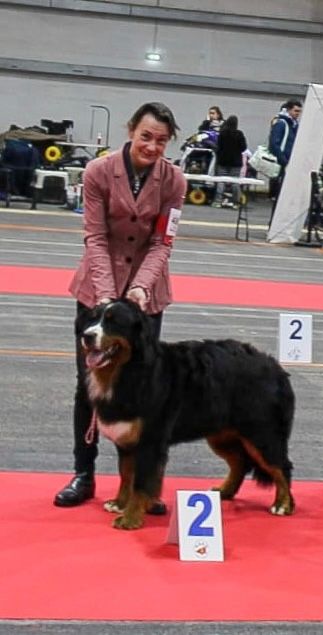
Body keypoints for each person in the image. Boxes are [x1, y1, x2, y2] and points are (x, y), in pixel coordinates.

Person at [54, 102, 187, 509]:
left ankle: (140, 486)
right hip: (96, 291)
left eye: (161, 141)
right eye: (146, 136)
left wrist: (141, 287)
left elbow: (163, 242)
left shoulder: (174, 181)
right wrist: (107, 297)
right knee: (90, 386)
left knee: (144, 392)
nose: (152, 146)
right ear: (130, 131)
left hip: (147, 298)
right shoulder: (98, 172)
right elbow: (95, 237)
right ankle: (83, 473)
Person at [268, 98, 302, 214]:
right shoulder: (281, 124)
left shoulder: (294, 125)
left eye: (299, 111)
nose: (298, 114)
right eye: (296, 111)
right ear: (288, 110)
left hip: (288, 163)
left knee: (284, 196)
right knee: (279, 195)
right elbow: (274, 144)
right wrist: (284, 160)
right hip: (282, 164)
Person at [212, 115, 247, 209]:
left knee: (221, 181)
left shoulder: (222, 134)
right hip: (235, 162)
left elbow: (218, 146)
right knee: (235, 182)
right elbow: (244, 147)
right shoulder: (239, 134)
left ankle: (218, 201)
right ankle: (236, 202)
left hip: (222, 161)